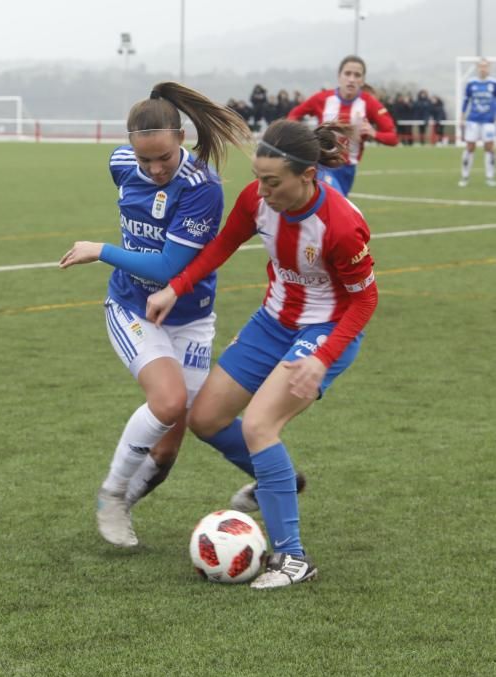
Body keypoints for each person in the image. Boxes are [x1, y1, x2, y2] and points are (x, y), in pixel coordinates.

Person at [145, 119, 379, 589]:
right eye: (258, 178)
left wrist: (322, 357)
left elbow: (364, 301)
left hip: (325, 331)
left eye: (272, 181)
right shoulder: (257, 200)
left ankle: (293, 558)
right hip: (272, 323)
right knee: (205, 419)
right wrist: (177, 286)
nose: (262, 190)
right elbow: (222, 245)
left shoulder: (341, 226)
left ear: (307, 175)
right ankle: (281, 482)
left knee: (259, 425)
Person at [59, 82, 252, 547]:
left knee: (167, 449)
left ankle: (126, 504)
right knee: (167, 403)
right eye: (144, 159)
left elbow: (169, 267)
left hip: (191, 317)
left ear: (181, 138)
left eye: (163, 156)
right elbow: (149, 255)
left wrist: (100, 249)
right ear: (130, 150)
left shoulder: (202, 188)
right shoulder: (120, 164)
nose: (155, 167)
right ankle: (111, 495)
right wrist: (113, 255)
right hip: (132, 308)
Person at [287, 55, 398, 195]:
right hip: (321, 164)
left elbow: (393, 137)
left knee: (333, 209)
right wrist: (302, 136)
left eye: (357, 75)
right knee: (328, 203)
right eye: (347, 73)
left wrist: (373, 133)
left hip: (347, 169)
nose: (351, 79)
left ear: (362, 80)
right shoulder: (322, 98)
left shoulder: (369, 104)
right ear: (339, 76)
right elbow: (294, 115)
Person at [459, 58, 496, 187]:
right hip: (473, 120)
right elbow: (466, 101)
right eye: (481, 66)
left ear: (489, 68)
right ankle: (465, 176)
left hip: (488, 121)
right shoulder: (471, 83)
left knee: (490, 148)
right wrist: (462, 117)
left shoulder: (493, 83)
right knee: (470, 147)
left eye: (485, 66)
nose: (483, 69)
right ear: (478, 67)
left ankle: (489, 177)